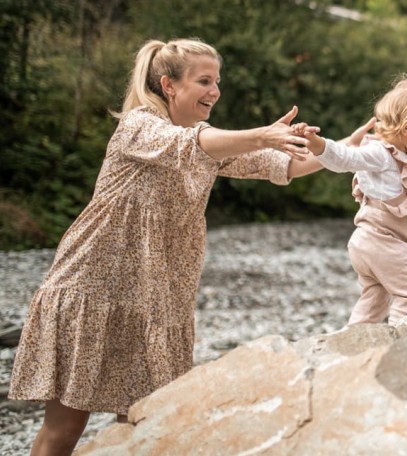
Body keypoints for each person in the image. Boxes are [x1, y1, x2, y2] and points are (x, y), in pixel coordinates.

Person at [8, 38, 332, 456]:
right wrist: (262, 134)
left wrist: (356, 149)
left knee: (149, 426)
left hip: (155, 304)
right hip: (92, 291)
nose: (215, 91)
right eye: (204, 81)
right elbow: (192, 145)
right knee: (65, 428)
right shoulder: (138, 126)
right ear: (169, 85)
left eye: (217, 81)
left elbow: (285, 165)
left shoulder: (206, 141)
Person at [305, 77, 407, 325]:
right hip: (382, 242)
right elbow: (345, 158)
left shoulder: (404, 160)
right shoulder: (381, 154)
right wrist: (318, 145)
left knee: (375, 298)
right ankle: (400, 343)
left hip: (370, 244)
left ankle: (356, 342)